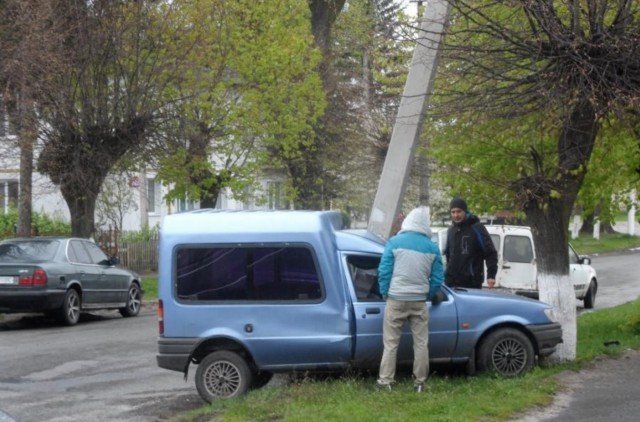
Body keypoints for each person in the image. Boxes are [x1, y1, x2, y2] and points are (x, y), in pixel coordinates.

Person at [376, 206, 444, 393]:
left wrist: (385, 292)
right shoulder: (432, 247)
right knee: (421, 343)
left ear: (407, 222)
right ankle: (420, 383)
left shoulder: (394, 242)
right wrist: (427, 294)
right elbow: (437, 278)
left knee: (391, 343)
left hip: (395, 299)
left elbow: (384, 271)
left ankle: (385, 381)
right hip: (418, 301)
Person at [444, 198, 498, 289]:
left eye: (459, 211)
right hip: (451, 283)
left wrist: (491, 275)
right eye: (453, 212)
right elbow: (448, 254)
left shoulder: (477, 228)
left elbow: (490, 253)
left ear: (465, 211)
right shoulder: (451, 230)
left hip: (471, 283)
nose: (456, 215)